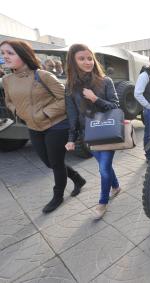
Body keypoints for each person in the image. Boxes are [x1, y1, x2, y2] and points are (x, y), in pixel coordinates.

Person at [0, 40, 86, 213]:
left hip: (56, 125)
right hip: (33, 127)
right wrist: (18, 111)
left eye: (10, 53)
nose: (5, 57)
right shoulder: (6, 80)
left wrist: (44, 113)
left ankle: (58, 196)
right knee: (48, 162)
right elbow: (8, 100)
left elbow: (65, 99)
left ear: (23, 54)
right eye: (3, 53)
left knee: (56, 162)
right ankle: (78, 178)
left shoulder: (43, 75)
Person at [64, 43, 121, 219]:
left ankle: (102, 203)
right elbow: (72, 115)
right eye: (82, 59)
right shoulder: (70, 87)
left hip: (108, 131)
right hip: (88, 135)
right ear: (73, 62)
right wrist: (71, 138)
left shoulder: (105, 81)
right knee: (105, 166)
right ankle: (116, 186)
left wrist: (95, 98)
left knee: (103, 168)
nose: (87, 62)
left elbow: (115, 107)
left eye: (90, 58)